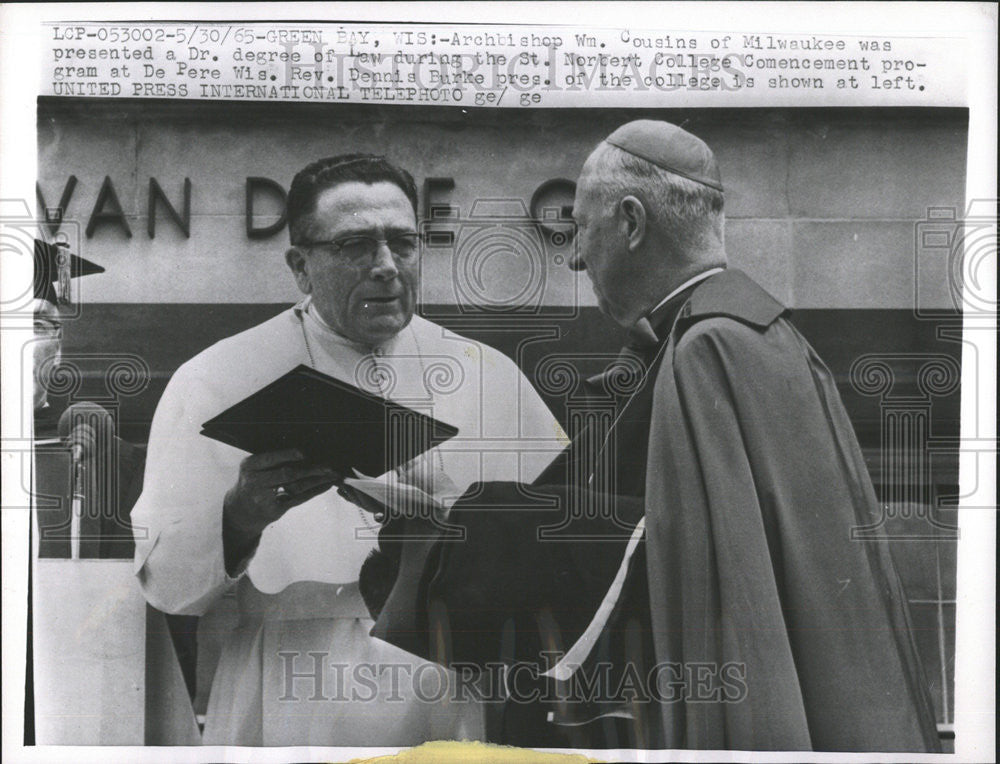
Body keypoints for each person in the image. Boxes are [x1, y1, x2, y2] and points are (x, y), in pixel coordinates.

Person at [360, 121, 942, 752]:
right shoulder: (731, 334)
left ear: (632, 223)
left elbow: (685, 563)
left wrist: (462, 520)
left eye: (581, 228)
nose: (576, 256)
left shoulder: (709, 347)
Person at [130, 154, 565, 746]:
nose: (385, 267)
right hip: (289, 687)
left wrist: (464, 526)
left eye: (403, 244)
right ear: (300, 266)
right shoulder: (217, 379)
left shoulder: (489, 377)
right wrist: (239, 516)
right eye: (356, 245)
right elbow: (166, 587)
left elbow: (560, 557)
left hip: (447, 683)